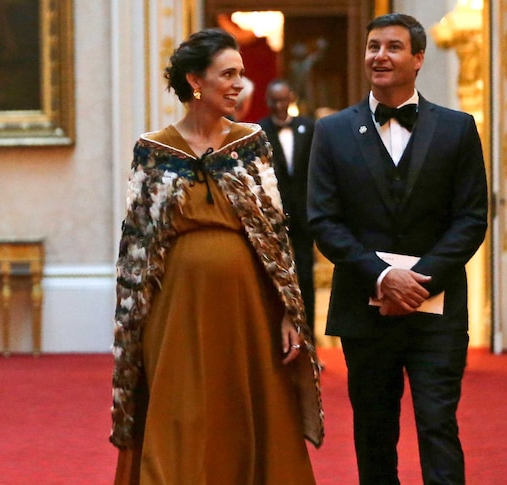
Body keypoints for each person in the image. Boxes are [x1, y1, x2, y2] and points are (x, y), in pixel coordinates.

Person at [110, 28, 323, 484]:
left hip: (248, 309)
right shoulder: (154, 149)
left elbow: (275, 236)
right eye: (227, 74)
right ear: (195, 81)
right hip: (174, 310)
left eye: (241, 75)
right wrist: (135, 321)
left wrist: (288, 311)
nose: (238, 86)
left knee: (243, 411)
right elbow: (136, 246)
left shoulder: (251, 144)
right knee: (180, 411)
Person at [308, 13, 488, 484]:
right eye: (373, 46)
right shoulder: (331, 132)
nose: (379, 56)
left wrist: (419, 281)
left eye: (392, 47)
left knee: (437, 426)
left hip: (439, 309)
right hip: (364, 314)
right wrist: (384, 278)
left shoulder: (457, 129)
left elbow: (471, 219)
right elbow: (323, 220)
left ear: (419, 58)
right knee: (373, 432)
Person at [258, 79, 317, 343]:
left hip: (304, 218)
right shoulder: (258, 131)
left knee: (306, 279)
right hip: (273, 219)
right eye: (275, 100)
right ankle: (278, 341)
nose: (280, 105)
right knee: (275, 280)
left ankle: (308, 340)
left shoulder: (308, 127)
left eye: (284, 99)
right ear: (268, 101)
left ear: (291, 97)